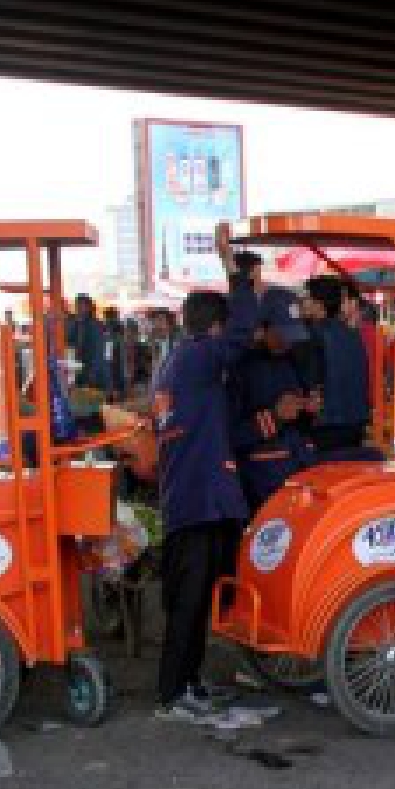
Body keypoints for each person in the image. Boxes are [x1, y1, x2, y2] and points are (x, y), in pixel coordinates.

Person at [154, 278, 260, 723]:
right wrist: (238, 276)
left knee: (199, 601)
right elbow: (242, 336)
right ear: (214, 329)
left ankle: (190, 682)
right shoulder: (198, 355)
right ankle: (173, 692)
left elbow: (222, 430)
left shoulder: (180, 364)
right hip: (196, 502)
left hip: (199, 498)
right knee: (189, 603)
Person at [228, 287, 315, 514]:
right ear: (262, 328)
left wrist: (308, 409)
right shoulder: (239, 366)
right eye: (283, 334)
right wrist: (275, 416)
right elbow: (230, 434)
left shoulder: (290, 360)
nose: (289, 342)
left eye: (293, 335)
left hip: (296, 471)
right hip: (259, 483)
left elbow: (300, 423)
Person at [300, 275, 372, 453]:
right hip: (356, 421)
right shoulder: (354, 335)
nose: (303, 302)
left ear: (319, 303)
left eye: (307, 297)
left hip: (327, 424)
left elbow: (309, 379)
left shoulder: (313, 335)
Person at [64, 293, 108, 395]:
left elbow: (99, 352)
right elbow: (69, 343)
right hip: (78, 371)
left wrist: (93, 374)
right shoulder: (75, 324)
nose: (78, 308)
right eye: (77, 305)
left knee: (92, 401)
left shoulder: (96, 325)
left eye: (81, 305)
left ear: (88, 307)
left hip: (92, 373)